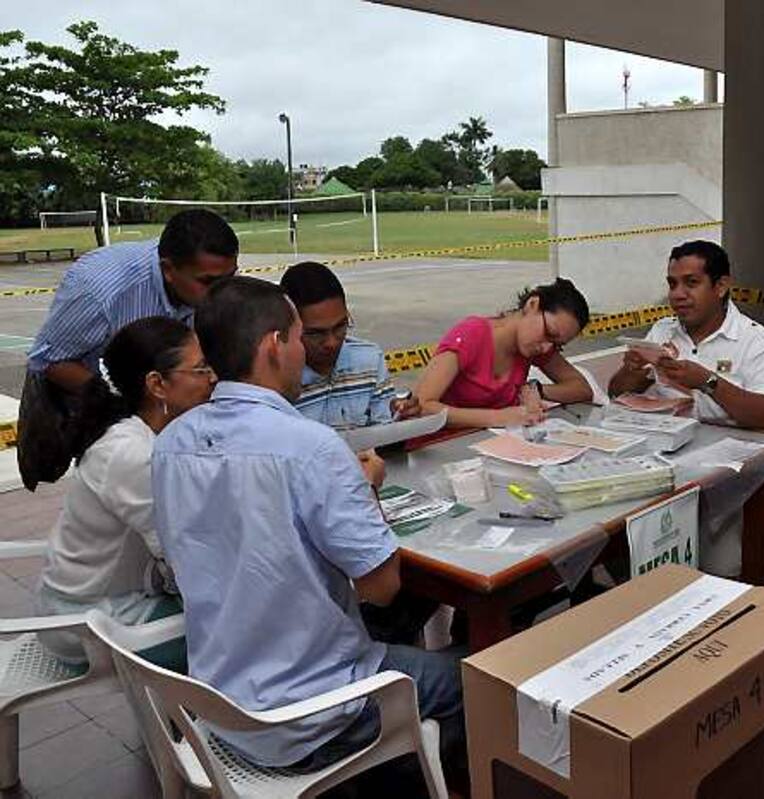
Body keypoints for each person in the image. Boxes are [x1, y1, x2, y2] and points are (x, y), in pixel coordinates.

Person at [153, 276, 463, 771]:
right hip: (315, 711)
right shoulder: (311, 448)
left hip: (222, 699)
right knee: (480, 680)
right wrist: (364, 491)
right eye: (301, 337)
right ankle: (400, 772)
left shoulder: (172, 442)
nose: (312, 350)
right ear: (275, 345)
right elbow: (382, 587)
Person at [36, 317, 216, 668]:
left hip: (104, 598)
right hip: (84, 620)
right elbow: (183, 554)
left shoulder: (144, 434)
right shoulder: (131, 453)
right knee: (236, 636)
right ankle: (186, 722)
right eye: (200, 369)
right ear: (157, 385)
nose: (212, 379)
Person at [18, 209, 237, 489]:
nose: (221, 292)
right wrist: (119, 405)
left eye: (229, 276)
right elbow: (48, 361)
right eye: (208, 282)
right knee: (108, 470)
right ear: (168, 270)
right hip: (85, 385)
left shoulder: (200, 282)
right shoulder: (99, 291)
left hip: (150, 387)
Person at [606, 240, 764, 430]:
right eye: (672, 284)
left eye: (691, 283)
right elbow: (616, 394)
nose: (677, 294)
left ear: (721, 286)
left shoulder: (754, 338)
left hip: (729, 449)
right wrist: (632, 372)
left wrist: (708, 382)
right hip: (668, 443)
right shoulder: (662, 330)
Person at [415, 278, 595, 428]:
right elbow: (422, 406)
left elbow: (582, 390)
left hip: (488, 446)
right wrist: (498, 418)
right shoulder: (472, 335)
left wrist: (536, 389)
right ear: (532, 304)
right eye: (549, 333)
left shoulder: (534, 347)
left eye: (557, 345)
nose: (546, 347)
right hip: (439, 448)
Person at [279, 261, 417, 428]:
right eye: (316, 333)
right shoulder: (277, 380)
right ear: (288, 329)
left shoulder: (370, 360)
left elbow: (385, 428)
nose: (331, 342)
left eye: (340, 327)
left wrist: (400, 417)